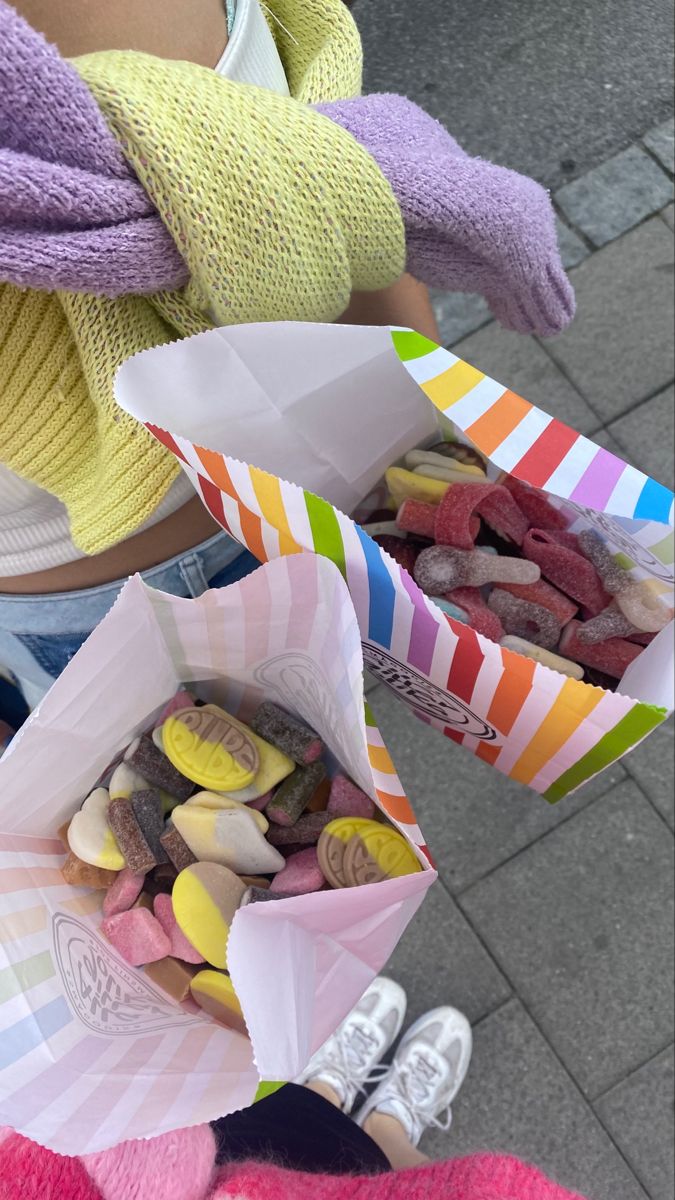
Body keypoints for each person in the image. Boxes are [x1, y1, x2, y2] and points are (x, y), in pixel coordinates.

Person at [0, 0, 574, 717]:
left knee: (318, 767)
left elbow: (295, 149)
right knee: (287, 786)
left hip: (342, 468)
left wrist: (417, 414)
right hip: (121, 588)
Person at [0, 977, 589, 1199]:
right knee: (387, 1165)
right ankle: (391, 1116)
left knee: (286, 1114)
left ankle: (330, 1085)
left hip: (213, 1158)